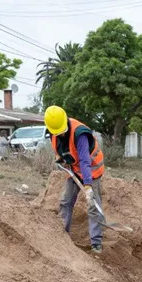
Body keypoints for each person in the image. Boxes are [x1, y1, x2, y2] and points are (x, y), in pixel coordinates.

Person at [44, 105, 105, 254]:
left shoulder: (80, 133)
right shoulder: (53, 131)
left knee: (92, 205)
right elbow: (61, 150)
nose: (60, 135)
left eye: (62, 132)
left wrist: (88, 186)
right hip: (74, 170)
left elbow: (85, 161)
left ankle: (96, 243)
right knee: (65, 201)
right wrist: (60, 158)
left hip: (91, 169)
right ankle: (62, 236)